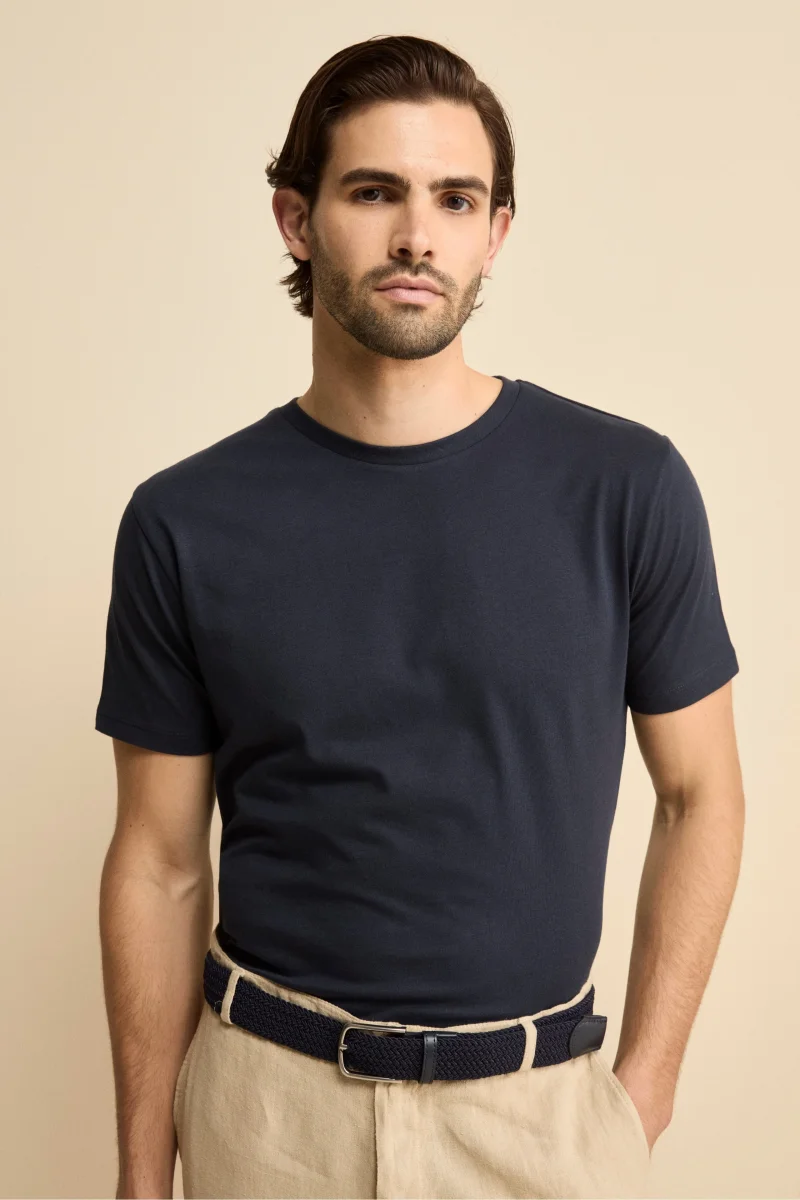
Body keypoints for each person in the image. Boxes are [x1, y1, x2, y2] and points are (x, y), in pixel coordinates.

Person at [95, 32, 744, 1200]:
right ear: (296, 220)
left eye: (454, 199)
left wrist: (639, 1093)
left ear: (495, 231)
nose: (415, 236)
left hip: (540, 1125)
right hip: (270, 1120)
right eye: (372, 192)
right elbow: (158, 861)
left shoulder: (623, 487)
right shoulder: (184, 520)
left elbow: (701, 794)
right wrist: (144, 1177)